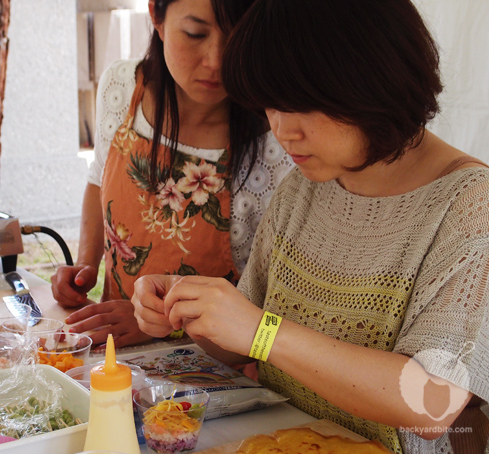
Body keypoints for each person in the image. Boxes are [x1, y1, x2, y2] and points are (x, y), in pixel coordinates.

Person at [131, 0, 489, 452]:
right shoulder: (304, 188)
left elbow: (434, 404)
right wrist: (187, 308)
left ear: (374, 82)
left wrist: (261, 330)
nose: (283, 131)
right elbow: (243, 342)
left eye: (302, 105)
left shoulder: (470, 204)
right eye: (270, 107)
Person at [51, 0, 294, 347]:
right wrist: (83, 267)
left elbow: (270, 307)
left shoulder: (279, 142)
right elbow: (97, 178)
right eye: (195, 34)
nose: (215, 60)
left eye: (236, 38)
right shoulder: (122, 87)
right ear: (157, 16)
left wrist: (163, 322)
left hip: (214, 371)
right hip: (113, 350)